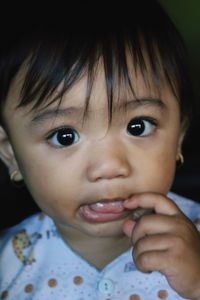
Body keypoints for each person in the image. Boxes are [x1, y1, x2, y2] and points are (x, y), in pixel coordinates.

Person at [0, 1, 200, 299]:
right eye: (64, 136)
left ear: (179, 137)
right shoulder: (7, 264)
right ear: (10, 153)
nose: (108, 166)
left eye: (138, 126)